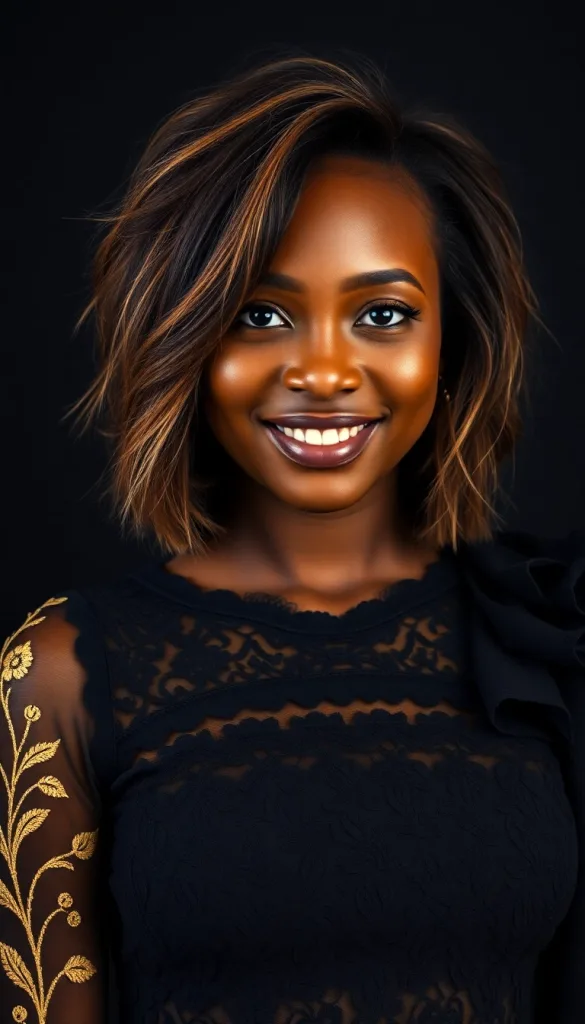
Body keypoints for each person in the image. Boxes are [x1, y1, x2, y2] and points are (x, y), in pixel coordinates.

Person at [0, 53, 583, 1024]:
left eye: (384, 314)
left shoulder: (545, 643)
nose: (323, 369)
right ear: (188, 336)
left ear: (452, 345)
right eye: (262, 313)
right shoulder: (56, 675)